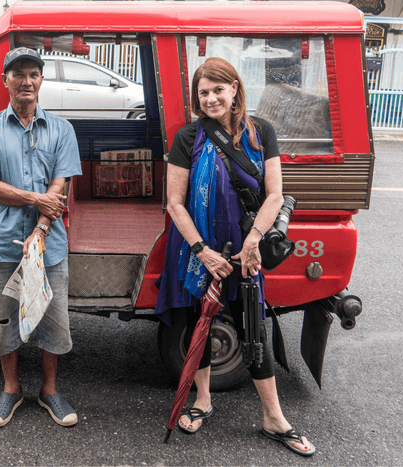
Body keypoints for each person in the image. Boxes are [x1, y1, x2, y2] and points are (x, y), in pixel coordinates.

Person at [155, 57, 315, 456]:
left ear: (235, 90)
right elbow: (175, 204)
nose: (210, 99)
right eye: (203, 92)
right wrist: (203, 252)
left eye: (218, 90)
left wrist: (252, 242)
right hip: (198, 250)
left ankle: (274, 417)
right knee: (198, 325)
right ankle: (203, 400)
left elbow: (274, 195)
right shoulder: (187, 138)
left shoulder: (262, 134)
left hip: (247, 250)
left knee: (252, 329)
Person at [0, 47, 82, 428]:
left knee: (51, 317)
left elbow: (59, 189)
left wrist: (41, 229)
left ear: (41, 80)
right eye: (18, 74)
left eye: (33, 73)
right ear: (5, 81)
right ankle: (11, 389)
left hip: (49, 245)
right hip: (1, 244)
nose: (26, 81)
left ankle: (49, 391)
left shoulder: (62, 129)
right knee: (3, 322)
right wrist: (34, 199)